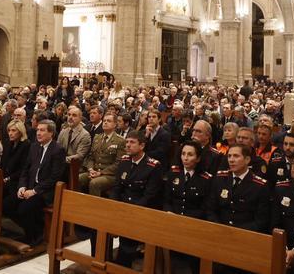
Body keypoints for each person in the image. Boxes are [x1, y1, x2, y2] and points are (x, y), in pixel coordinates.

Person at [3, 120, 66, 245]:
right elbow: (25, 170)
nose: (38, 133)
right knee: (6, 205)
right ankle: (34, 229)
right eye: (37, 130)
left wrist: (34, 191)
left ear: (51, 133)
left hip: (46, 191)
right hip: (30, 187)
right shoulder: (34, 146)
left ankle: (35, 235)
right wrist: (22, 186)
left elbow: (54, 178)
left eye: (42, 130)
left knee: (24, 208)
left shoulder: (58, 150)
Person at [111, 130, 163, 267]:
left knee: (128, 238)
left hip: (140, 209)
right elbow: (116, 188)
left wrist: (130, 211)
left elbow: (149, 196)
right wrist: (112, 206)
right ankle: (103, 261)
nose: (127, 145)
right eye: (127, 142)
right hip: (123, 206)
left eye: (132, 142)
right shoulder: (124, 161)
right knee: (98, 227)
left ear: (142, 146)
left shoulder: (153, 166)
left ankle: (122, 267)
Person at [164, 142, 212, 273]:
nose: (185, 158)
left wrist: (185, 220)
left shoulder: (206, 179)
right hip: (172, 221)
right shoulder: (174, 173)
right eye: (183, 154)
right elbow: (167, 199)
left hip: (193, 225)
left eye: (190, 155)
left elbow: (205, 208)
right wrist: (169, 212)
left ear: (198, 158)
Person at [206, 144, 270, 232]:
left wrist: (237, 233)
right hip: (219, 230)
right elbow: (210, 209)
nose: (231, 160)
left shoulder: (260, 185)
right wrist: (218, 227)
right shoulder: (220, 178)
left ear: (247, 160)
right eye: (229, 156)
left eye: (236, 156)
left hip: (246, 234)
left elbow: (261, 220)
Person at [79, 113, 124, 197]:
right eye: (104, 121)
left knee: (94, 183)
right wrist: (91, 169)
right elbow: (91, 157)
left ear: (115, 124)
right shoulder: (97, 138)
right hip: (94, 171)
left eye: (109, 121)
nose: (105, 123)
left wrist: (100, 173)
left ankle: (94, 208)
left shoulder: (120, 141)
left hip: (109, 175)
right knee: (79, 178)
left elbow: (118, 163)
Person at [0, 120, 31, 195]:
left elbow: (23, 168)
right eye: (9, 130)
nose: (10, 133)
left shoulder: (26, 145)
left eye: (13, 130)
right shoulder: (7, 143)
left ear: (20, 132)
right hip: (4, 178)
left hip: (16, 181)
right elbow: (3, 163)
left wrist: (8, 178)